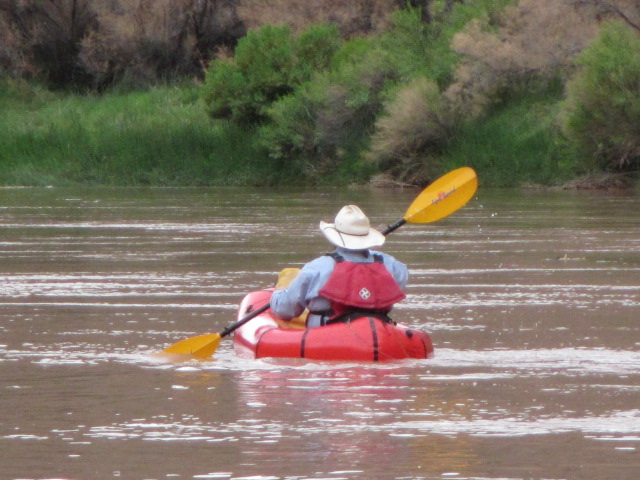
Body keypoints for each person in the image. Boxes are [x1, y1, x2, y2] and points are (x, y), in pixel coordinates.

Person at [270, 205, 408, 328]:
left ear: (334, 238)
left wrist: (277, 294)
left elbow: (285, 310)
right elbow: (400, 282)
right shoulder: (391, 265)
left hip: (329, 336)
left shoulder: (317, 268)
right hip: (379, 330)